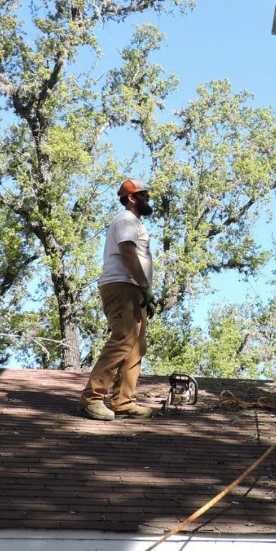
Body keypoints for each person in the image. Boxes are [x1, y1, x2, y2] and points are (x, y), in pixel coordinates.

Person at [81, 178, 158, 421]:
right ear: (132, 198)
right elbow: (126, 251)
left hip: (133, 287)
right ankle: (93, 397)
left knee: (136, 346)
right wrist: (144, 285)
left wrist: (144, 288)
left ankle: (124, 401)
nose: (148, 198)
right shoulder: (125, 219)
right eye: (143, 194)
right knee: (124, 339)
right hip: (122, 285)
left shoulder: (135, 222)